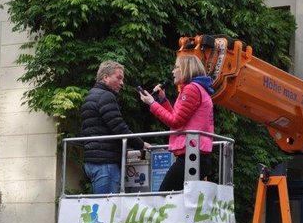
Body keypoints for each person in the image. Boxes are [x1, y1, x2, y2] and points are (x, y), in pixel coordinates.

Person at [139, 55, 214, 191]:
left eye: (176, 67)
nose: (173, 71)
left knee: (165, 194)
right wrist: (162, 101)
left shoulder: (191, 89)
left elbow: (175, 121)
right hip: (196, 154)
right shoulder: (198, 88)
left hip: (192, 155)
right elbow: (177, 120)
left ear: (186, 69)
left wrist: (152, 103)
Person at [81, 60, 149, 194]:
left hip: (93, 161)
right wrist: (141, 144)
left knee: (102, 207)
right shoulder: (106, 96)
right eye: (119, 78)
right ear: (105, 77)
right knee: (107, 208)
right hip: (105, 163)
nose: (122, 83)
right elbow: (119, 127)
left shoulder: (90, 96)